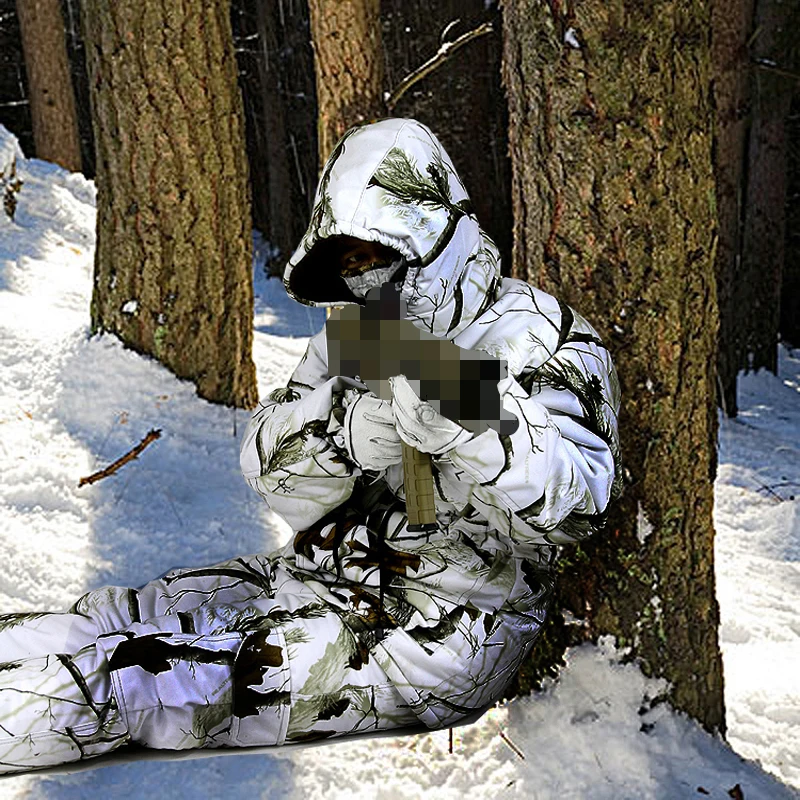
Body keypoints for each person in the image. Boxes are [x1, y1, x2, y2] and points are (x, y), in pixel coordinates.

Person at [0, 118, 622, 775]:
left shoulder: (541, 338)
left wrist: (466, 412)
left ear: (432, 234)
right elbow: (269, 469)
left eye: (377, 253)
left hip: (441, 626)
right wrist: (341, 434)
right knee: (128, 614)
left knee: (146, 677)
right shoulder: (358, 334)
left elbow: (577, 506)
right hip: (323, 573)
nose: (364, 277)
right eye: (350, 262)